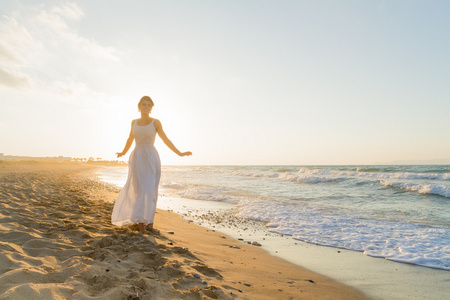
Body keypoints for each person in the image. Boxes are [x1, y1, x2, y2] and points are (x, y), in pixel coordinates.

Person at [111, 96, 192, 232]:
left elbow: (166, 139)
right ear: (139, 106)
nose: (146, 107)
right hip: (137, 157)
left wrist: (180, 153)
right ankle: (141, 222)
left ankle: (149, 221)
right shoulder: (134, 122)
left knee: (149, 189)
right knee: (138, 189)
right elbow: (130, 139)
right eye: (144, 104)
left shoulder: (156, 123)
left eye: (149, 105)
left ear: (151, 108)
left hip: (151, 158)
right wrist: (123, 152)